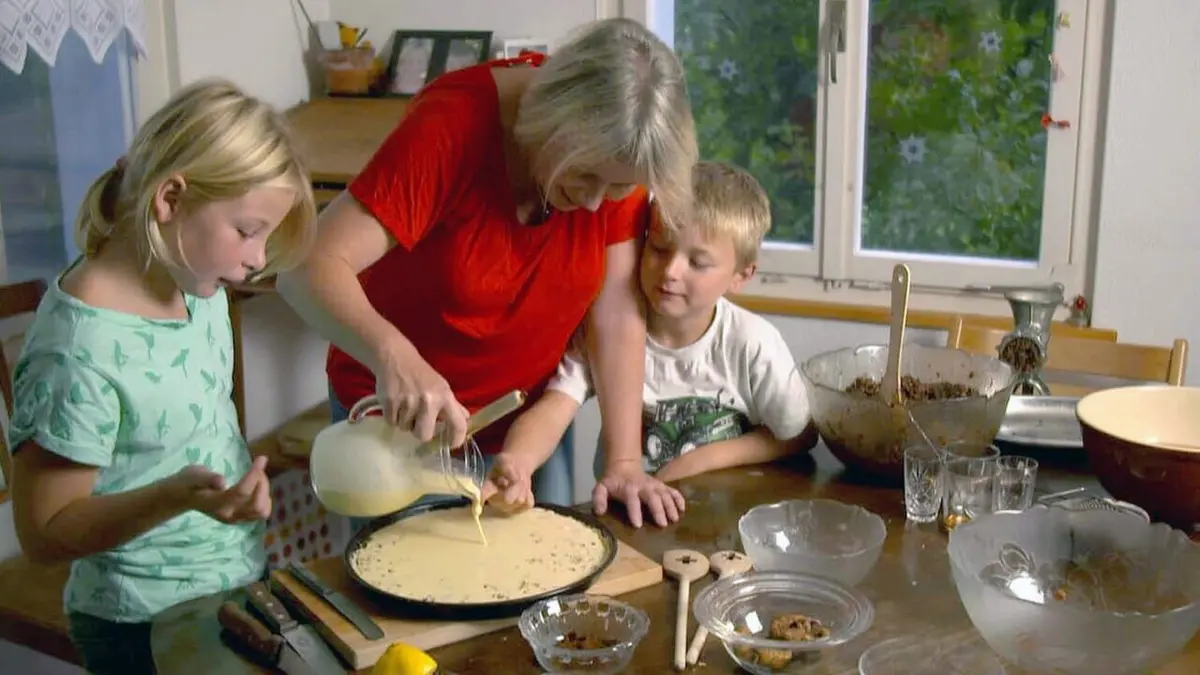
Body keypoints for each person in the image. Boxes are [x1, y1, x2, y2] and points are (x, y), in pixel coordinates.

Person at [276, 17, 698, 527]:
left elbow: (616, 316)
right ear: (555, 120)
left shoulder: (620, 154)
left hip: (527, 436)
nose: (592, 203)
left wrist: (625, 462)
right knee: (408, 592)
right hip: (399, 425)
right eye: (584, 176)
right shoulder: (451, 127)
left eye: (614, 190)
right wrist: (395, 356)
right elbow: (305, 265)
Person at [7, 79, 317, 675]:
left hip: (229, 582)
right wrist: (174, 497)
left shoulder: (194, 283)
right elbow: (44, 534)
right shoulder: (80, 347)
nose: (257, 258)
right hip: (140, 621)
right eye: (248, 231)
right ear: (170, 200)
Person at [495, 161, 816, 493]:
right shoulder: (607, 334)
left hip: (724, 530)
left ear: (741, 275)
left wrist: (703, 460)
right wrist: (518, 461)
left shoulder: (753, 343)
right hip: (630, 521)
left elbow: (799, 434)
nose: (671, 271)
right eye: (659, 248)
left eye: (698, 262)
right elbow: (555, 406)